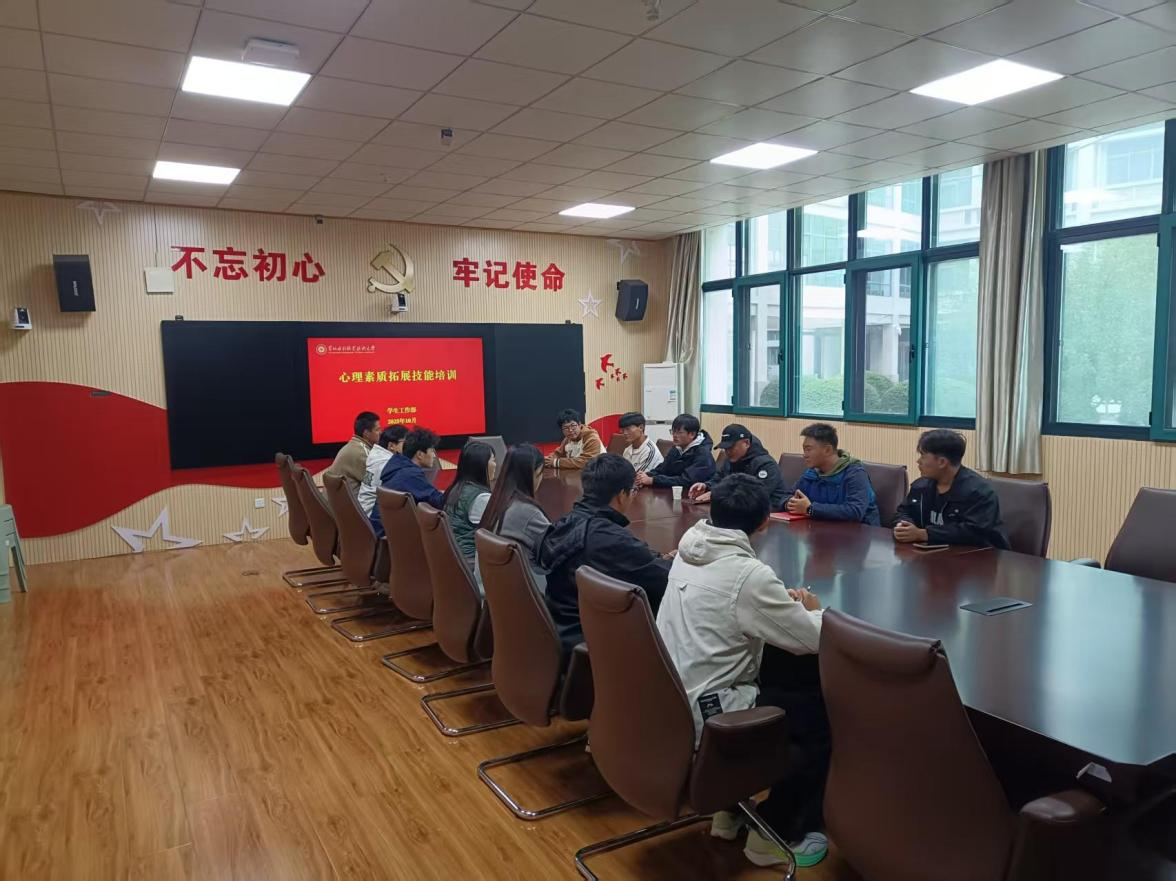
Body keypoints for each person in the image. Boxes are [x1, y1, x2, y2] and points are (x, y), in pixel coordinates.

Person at [656, 474, 828, 869]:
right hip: (710, 712)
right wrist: (813, 610)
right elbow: (812, 639)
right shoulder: (748, 574)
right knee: (815, 716)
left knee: (784, 676)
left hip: (671, 697)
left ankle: (729, 809)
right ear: (765, 522)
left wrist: (776, 605)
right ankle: (775, 834)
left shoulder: (689, 548)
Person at [537, 454, 672, 656]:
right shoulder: (610, 539)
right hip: (593, 643)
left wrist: (658, 558)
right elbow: (664, 580)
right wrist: (678, 562)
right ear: (621, 495)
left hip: (561, 628)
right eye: (633, 491)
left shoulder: (564, 523)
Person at [894, 429, 1010, 549]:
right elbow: (903, 511)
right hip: (933, 552)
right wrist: (905, 527)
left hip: (979, 555)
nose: (918, 461)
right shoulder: (921, 486)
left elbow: (975, 532)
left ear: (942, 462)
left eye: (923, 456)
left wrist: (925, 534)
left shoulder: (979, 492)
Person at [474, 443, 551, 594]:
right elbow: (556, 548)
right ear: (533, 474)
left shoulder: (497, 501)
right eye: (541, 473)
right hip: (519, 597)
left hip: (493, 591)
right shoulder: (526, 511)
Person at [784, 423, 880, 525]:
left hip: (860, 531)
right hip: (821, 529)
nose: (804, 455)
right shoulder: (812, 474)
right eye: (804, 450)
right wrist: (791, 504)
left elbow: (855, 511)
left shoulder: (855, 473)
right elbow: (785, 496)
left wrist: (810, 509)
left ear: (827, 450)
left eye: (808, 449)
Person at [688, 423, 786, 510]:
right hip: (738, 509)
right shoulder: (731, 460)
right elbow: (719, 479)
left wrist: (718, 494)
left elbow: (757, 495)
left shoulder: (766, 464)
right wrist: (706, 486)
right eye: (725, 448)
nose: (727, 452)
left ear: (746, 443)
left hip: (768, 513)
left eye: (731, 447)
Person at [368, 427, 443, 538]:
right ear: (420, 454)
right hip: (388, 538)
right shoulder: (410, 475)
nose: (434, 455)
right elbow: (439, 502)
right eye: (432, 451)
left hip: (381, 533)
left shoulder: (398, 466)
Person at [442, 441, 495, 564]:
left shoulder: (454, 490)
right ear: (481, 465)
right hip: (471, 563)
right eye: (493, 460)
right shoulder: (481, 498)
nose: (496, 464)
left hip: (453, 559)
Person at [635, 413, 716, 490]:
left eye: (679, 432)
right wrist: (645, 476)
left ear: (692, 434)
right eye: (673, 431)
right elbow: (663, 469)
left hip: (692, 495)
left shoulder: (703, 454)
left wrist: (653, 480)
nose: (674, 435)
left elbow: (686, 481)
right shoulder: (677, 448)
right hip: (671, 492)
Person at [357, 425, 408, 516]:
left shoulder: (376, 455)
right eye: (405, 443)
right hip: (372, 516)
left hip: (363, 512)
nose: (409, 446)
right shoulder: (387, 464)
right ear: (391, 445)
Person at [327, 411, 380, 493]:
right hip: (350, 500)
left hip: (335, 498)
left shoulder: (353, 445)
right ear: (366, 433)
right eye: (377, 430)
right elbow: (376, 483)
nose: (380, 432)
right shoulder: (362, 452)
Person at [618, 411, 663, 475]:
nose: (624, 433)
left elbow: (638, 477)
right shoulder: (628, 450)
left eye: (628, 429)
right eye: (623, 430)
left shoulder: (650, 451)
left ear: (641, 427)